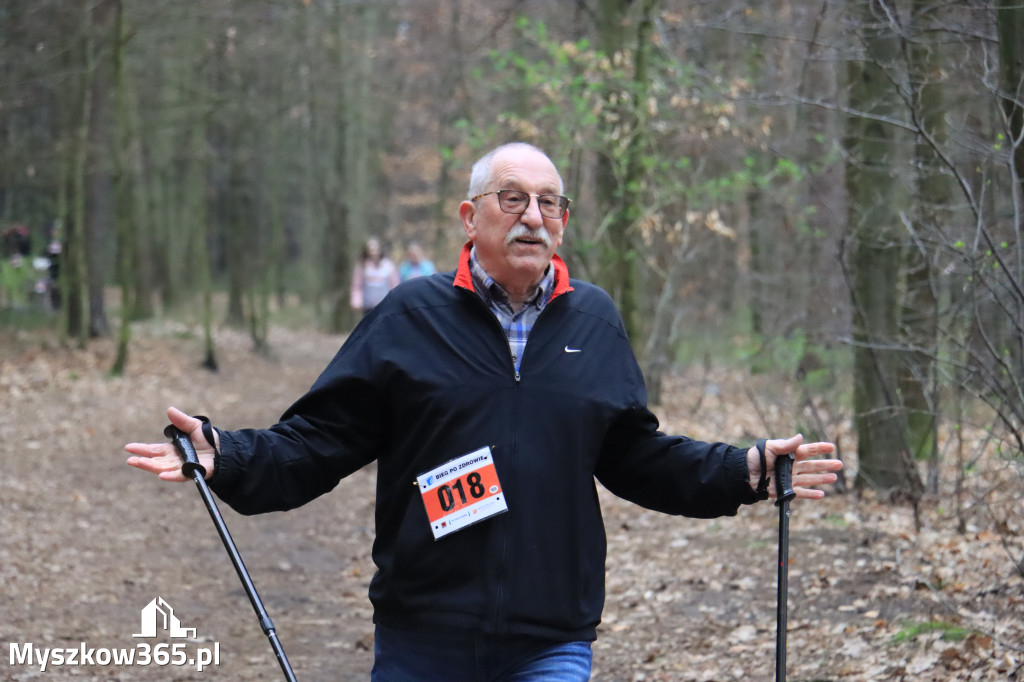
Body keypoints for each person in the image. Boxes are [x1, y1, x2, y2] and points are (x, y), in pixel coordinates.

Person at [126, 142, 842, 682]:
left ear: (563, 220)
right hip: (423, 633)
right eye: (512, 198)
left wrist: (744, 469)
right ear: (470, 217)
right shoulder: (411, 316)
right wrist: (228, 453)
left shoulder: (593, 320)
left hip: (551, 636)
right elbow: (322, 438)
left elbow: (634, 454)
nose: (533, 216)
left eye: (549, 203)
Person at [350, 237, 399, 316]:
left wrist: (396, 300)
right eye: (371, 249)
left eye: (375, 249)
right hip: (368, 305)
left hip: (385, 304)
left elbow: (394, 284)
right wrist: (356, 301)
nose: (373, 252)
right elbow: (357, 285)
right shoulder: (362, 265)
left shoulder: (388, 265)